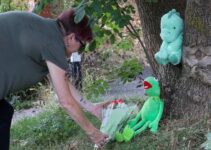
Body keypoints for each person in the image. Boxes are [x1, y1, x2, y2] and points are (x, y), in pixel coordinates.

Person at [0, 9, 110, 150]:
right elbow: (66, 102)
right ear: (71, 38)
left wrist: (91, 107)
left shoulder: (45, 30)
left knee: (3, 113)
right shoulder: (52, 44)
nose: (78, 52)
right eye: (81, 46)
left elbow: (62, 82)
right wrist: (93, 132)